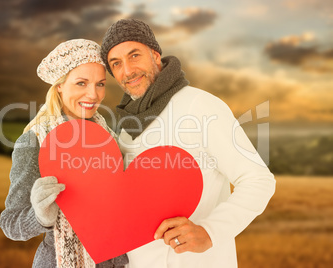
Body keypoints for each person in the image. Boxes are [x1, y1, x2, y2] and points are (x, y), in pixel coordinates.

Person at [100, 19, 276, 268]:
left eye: (134, 55)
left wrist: (210, 231)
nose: (127, 71)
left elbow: (258, 180)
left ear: (155, 55)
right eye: (116, 64)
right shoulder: (125, 123)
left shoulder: (201, 107)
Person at [0, 39, 128, 268]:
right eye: (81, 83)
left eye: (100, 84)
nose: (94, 95)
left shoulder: (108, 137)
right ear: (59, 85)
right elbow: (10, 224)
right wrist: (40, 216)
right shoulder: (35, 142)